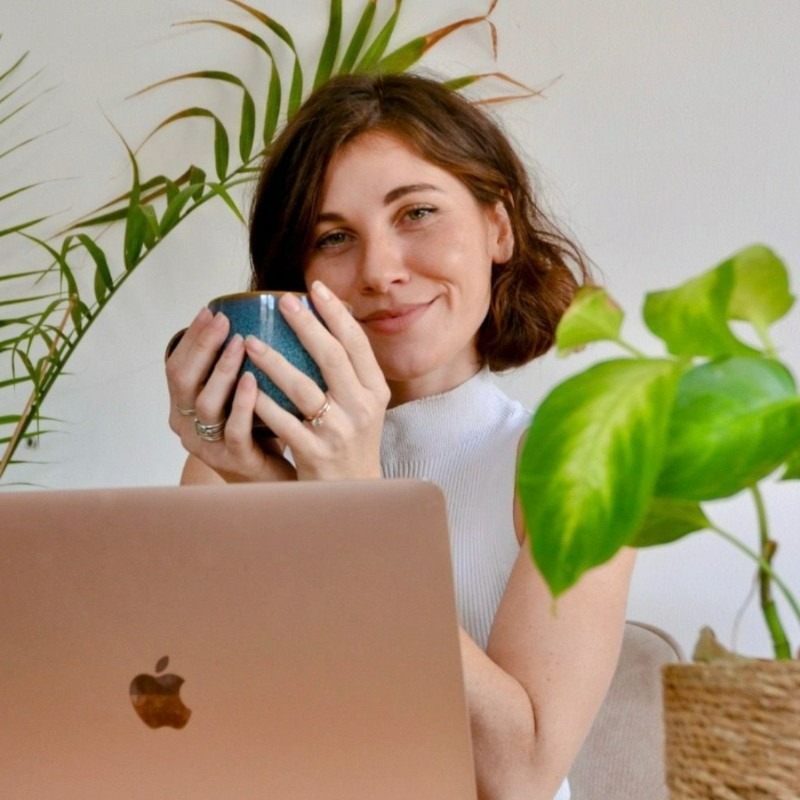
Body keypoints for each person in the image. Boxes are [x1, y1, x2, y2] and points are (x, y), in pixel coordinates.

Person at [166, 72, 635, 800]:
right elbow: (190, 728)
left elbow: (516, 775)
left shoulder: (581, 462)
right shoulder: (234, 465)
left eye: (417, 213)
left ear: (499, 227)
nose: (380, 272)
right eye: (333, 237)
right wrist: (274, 494)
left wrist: (356, 508)